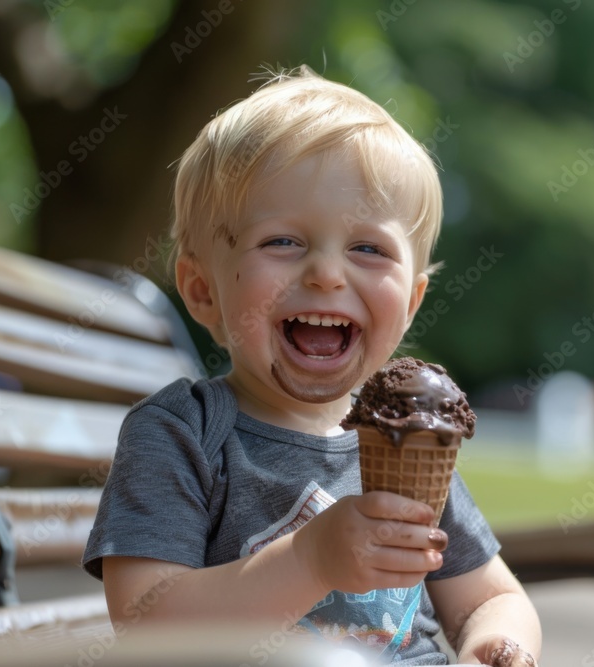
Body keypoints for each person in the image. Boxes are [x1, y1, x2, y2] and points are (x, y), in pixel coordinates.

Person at [82, 66, 541, 666]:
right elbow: (149, 626)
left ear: (409, 303)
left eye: (368, 249)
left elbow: (493, 597)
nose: (327, 273)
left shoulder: (405, 447)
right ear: (202, 291)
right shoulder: (181, 434)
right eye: (282, 242)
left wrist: (495, 646)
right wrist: (309, 560)